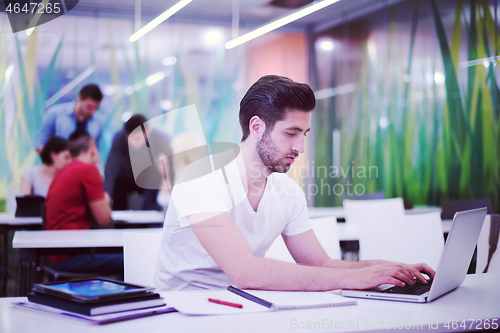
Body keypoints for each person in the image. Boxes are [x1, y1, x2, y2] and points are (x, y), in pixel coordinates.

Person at [154, 75, 435, 291]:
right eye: (291, 133)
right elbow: (245, 272)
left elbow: (322, 265)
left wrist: (388, 269)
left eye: (305, 134)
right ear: (256, 127)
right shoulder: (202, 180)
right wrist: (357, 278)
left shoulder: (287, 192)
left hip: (245, 310)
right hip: (185, 314)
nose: (300, 147)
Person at [45, 130, 123, 275]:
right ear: (93, 151)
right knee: (131, 259)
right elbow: (104, 219)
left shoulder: (63, 171)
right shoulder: (88, 170)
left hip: (55, 254)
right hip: (72, 256)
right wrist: (105, 200)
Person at [104, 114, 173, 211]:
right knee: (117, 185)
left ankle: (150, 215)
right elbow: (111, 168)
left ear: (147, 133)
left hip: (148, 178)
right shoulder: (119, 137)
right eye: (130, 139)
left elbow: (170, 166)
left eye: (137, 139)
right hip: (126, 177)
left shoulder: (161, 139)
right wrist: (106, 195)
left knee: (154, 176)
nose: (133, 143)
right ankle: (120, 219)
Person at [35, 84, 104, 151]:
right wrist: (51, 160)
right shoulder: (55, 113)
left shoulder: (99, 121)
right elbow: (40, 142)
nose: (92, 111)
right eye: (89, 107)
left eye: (96, 108)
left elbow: (96, 149)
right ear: (79, 98)